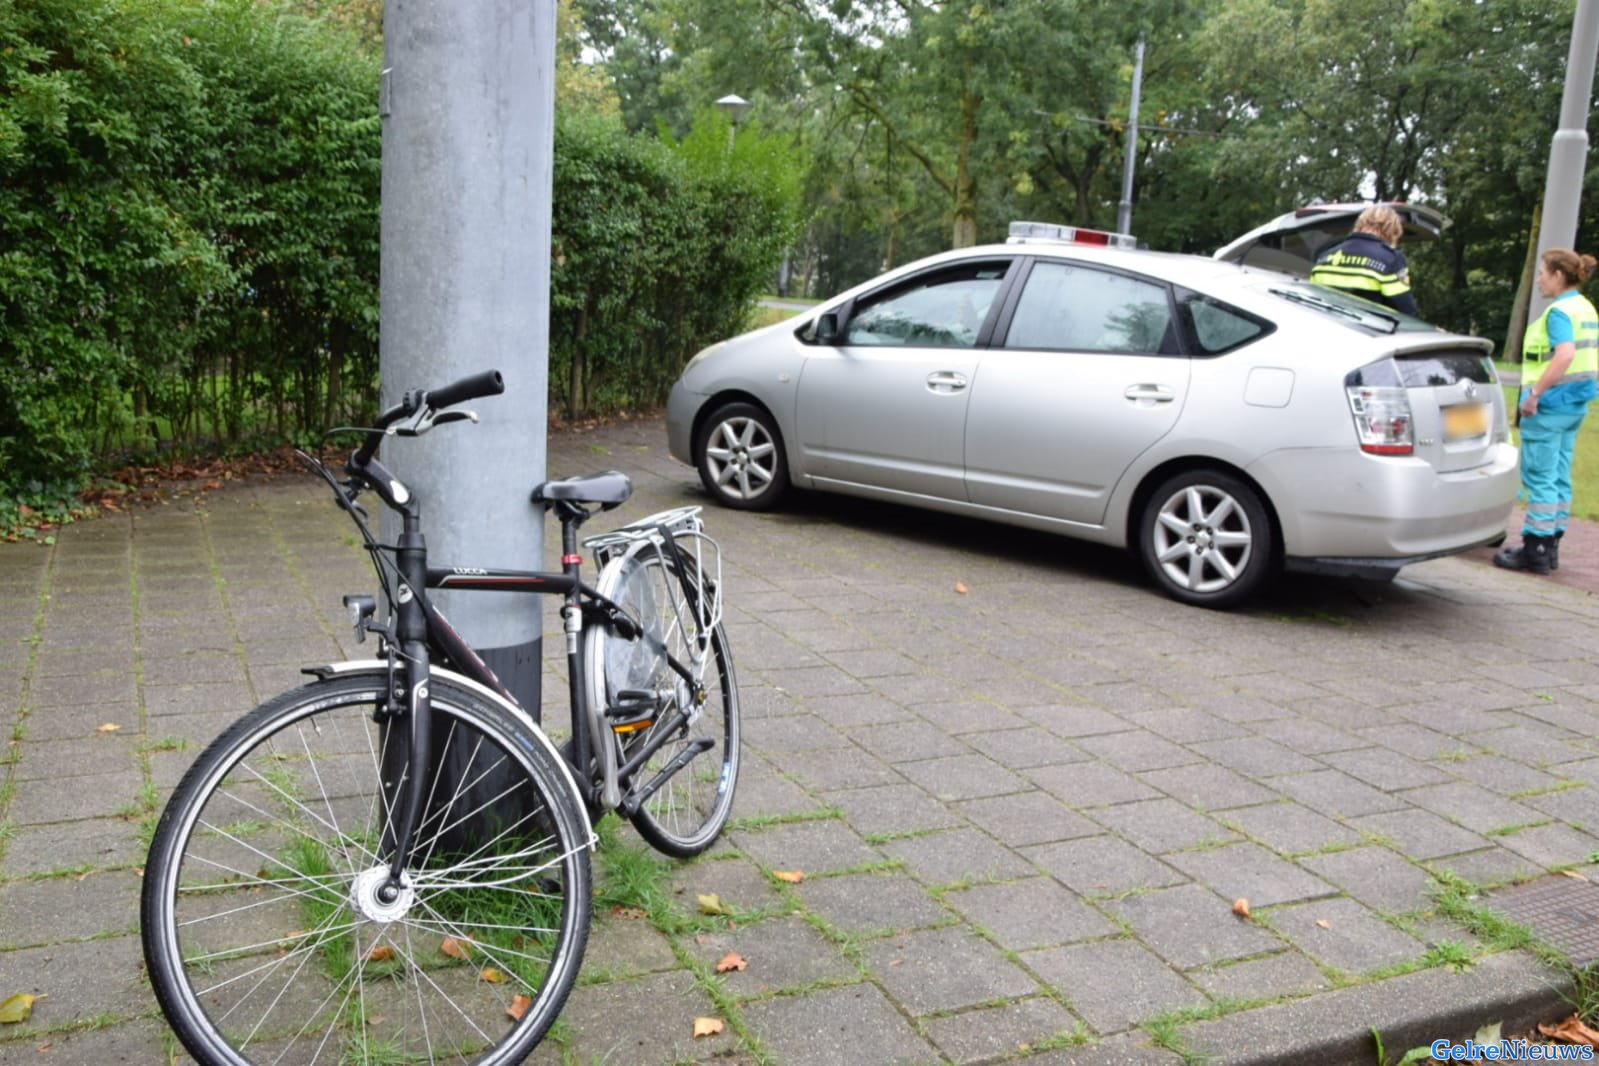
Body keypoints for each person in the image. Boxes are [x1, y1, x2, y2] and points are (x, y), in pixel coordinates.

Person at [1493, 248, 1599, 575]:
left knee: (1539, 476)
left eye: (1543, 272)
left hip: (1550, 405)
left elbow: (1565, 355)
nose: (1539, 279)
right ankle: (1551, 546)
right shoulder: (1586, 308)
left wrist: (1535, 394)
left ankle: (1534, 548)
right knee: (1559, 474)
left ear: (1557, 275)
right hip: (1575, 404)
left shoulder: (1559, 313)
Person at [1308, 204, 1419, 316]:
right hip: (1368, 330)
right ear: (1391, 229)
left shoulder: (1325, 256)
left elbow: (1312, 300)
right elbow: (1405, 309)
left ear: (1360, 223)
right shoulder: (1390, 259)